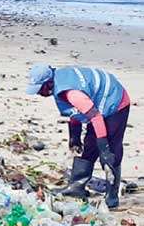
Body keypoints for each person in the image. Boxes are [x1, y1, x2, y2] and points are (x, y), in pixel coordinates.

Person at [26, 64, 131, 208]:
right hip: (96, 104)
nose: (39, 93)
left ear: (49, 83)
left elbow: (95, 116)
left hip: (115, 102)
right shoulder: (60, 85)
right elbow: (75, 111)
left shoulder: (71, 93)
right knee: (89, 145)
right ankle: (76, 187)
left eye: (40, 89)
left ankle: (111, 197)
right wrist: (74, 135)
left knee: (110, 152)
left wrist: (103, 146)